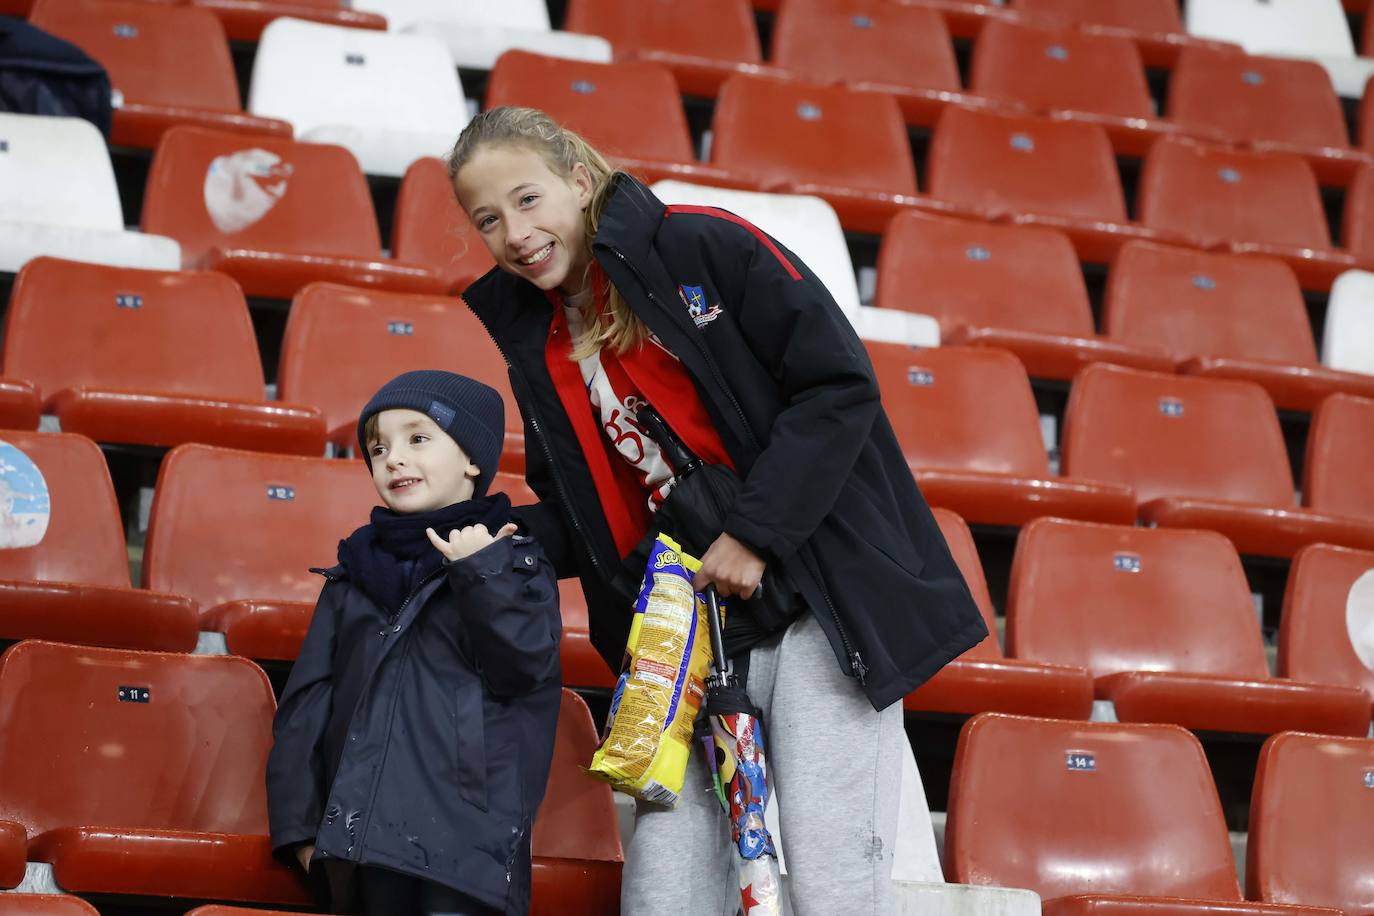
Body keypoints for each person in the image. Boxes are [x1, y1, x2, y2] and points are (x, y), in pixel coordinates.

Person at [449, 107, 988, 916]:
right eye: (488, 219)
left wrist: (754, 534)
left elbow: (837, 386)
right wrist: (495, 541)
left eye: (527, 199)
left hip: (814, 604)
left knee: (836, 874)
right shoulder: (539, 338)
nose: (514, 232)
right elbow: (589, 517)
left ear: (581, 179)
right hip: (678, 631)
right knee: (665, 886)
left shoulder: (702, 243)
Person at [266, 370, 562, 916]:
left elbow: (522, 669)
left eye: (418, 438)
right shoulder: (352, 574)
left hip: (465, 852)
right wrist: (301, 831)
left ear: (473, 460)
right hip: (358, 846)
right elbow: (306, 706)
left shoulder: (512, 561)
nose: (394, 459)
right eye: (378, 449)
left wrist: (481, 571)